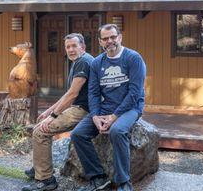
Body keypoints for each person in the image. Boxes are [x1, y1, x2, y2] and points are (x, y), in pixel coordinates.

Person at [71, 24, 146, 191]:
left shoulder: (133, 58)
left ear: (120, 37)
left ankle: (124, 182)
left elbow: (135, 93)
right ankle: (98, 178)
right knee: (78, 134)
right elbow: (94, 93)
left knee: (117, 131)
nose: (110, 41)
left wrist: (115, 116)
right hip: (105, 107)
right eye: (105, 38)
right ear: (100, 42)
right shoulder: (97, 63)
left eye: (113, 37)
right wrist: (96, 116)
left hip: (130, 108)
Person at [21, 33, 94, 191]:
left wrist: (53, 116)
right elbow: (68, 95)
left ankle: (46, 180)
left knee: (41, 131)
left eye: (74, 46)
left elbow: (73, 95)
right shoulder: (79, 62)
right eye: (68, 47)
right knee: (38, 128)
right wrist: (49, 111)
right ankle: (39, 168)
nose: (71, 49)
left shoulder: (84, 62)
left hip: (84, 110)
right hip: (76, 107)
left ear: (83, 47)